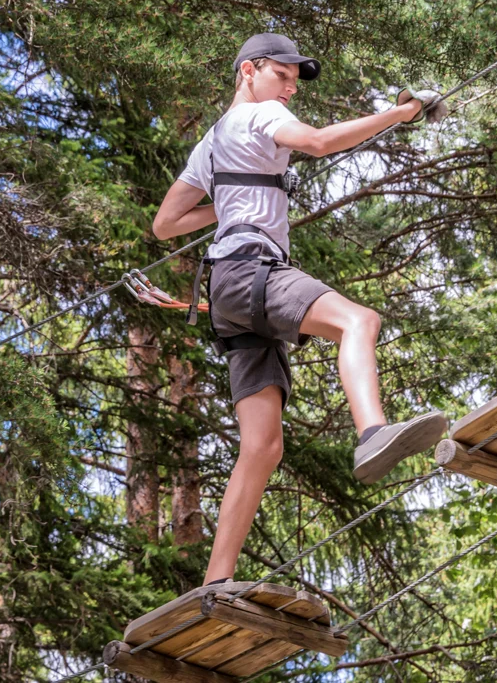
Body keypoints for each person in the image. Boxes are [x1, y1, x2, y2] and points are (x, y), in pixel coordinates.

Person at [152, 33, 448, 586]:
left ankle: (216, 581)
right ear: (248, 72)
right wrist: (403, 112)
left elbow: (165, 224)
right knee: (359, 321)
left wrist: (232, 203)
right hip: (251, 272)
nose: (290, 88)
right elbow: (316, 142)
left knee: (262, 447)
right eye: (281, 75)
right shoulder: (261, 115)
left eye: (294, 80)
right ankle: (372, 434)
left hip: (227, 297)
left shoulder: (212, 141)